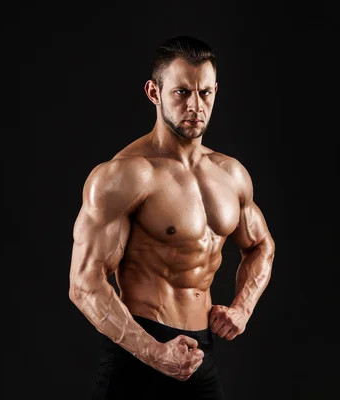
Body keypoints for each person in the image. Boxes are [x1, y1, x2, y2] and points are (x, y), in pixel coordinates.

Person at [68, 36, 275, 399]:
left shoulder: (231, 174)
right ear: (154, 92)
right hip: (137, 354)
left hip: (200, 353)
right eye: (181, 93)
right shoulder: (125, 176)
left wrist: (242, 308)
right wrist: (154, 352)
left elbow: (261, 245)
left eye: (205, 93)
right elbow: (84, 285)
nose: (196, 105)